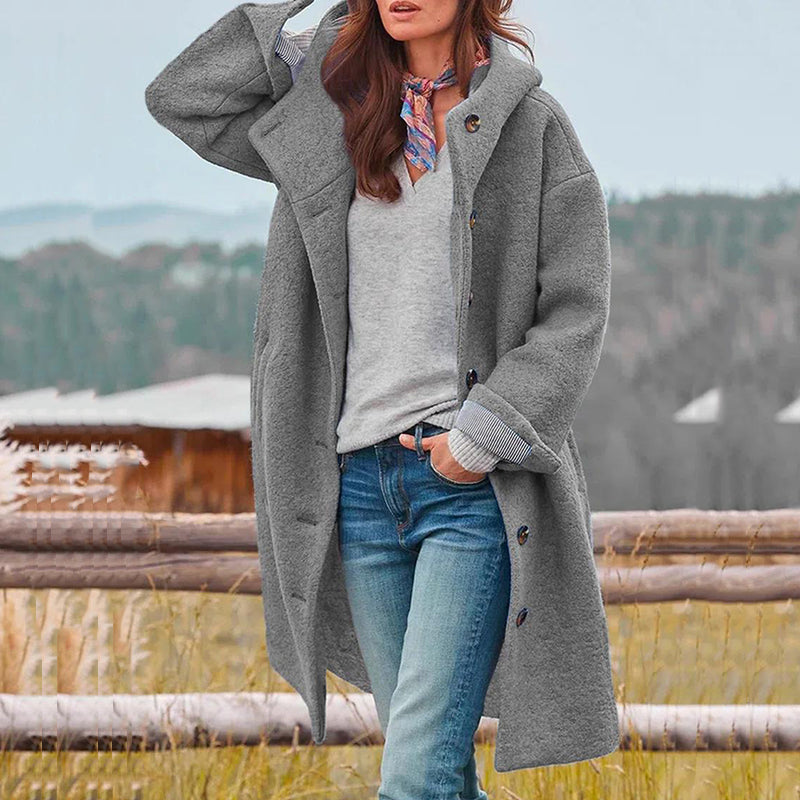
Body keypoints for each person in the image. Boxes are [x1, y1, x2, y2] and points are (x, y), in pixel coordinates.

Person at [145, 0, 620, 794]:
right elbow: (184, 96)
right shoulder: (332, 114)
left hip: (467, 484)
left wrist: (479, 441)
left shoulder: (530, 126)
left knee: (412, 774)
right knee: (433, 764)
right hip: (357, 488)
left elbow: (577, 309)